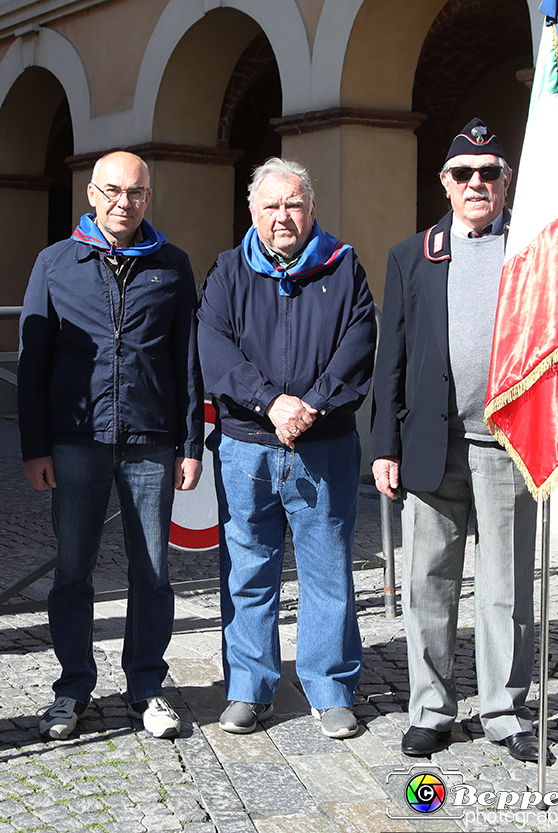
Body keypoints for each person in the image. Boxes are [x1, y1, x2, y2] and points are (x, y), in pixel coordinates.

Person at [371, 118, 545, 762]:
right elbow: (393, 357)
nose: (478, 184)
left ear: (506, 183)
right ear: (445, 183)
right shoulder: (412, 254)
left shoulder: (535, 253)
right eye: (464, 174)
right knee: (428, 584)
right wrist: (383, 445)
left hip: (507, 444)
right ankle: (431, 709)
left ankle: (504, 711)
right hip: (430, 445)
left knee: (505, 586)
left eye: (490, 173)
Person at [17, 150, 203, 741]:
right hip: (76, 444)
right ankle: (72, 687)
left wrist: (191, 443)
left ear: (150, 198)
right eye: (115, 191)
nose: (126, 202)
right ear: (93, 195)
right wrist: (34, 446)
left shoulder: (172, 265)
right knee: (73, 571)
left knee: (152, 573)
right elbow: (32, 363)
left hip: (151, 441)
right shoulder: (54, 263)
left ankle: (146, 686)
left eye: (138, 192)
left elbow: (188, 361)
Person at [198, 158, 376, 738]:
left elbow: (358, 343)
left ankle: (330, 688)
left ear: (311, 209)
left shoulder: (343, 267)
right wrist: (270, 402)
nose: (283, 216)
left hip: (322, 445)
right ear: (252, 212)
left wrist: (313, 405)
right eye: (271, 206)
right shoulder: (228, 271)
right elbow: (214, 347)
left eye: (293, 204)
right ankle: (250, 687)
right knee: (248, 569)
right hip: (246, 444)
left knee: (327, 571)